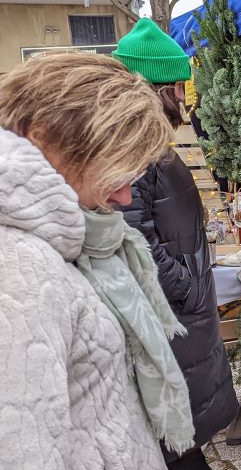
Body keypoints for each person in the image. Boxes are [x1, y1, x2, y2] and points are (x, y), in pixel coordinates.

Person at [0, 52, 192, 468]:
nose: (124, 195)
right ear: (44, 140)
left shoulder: (64, 240)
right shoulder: (20, 268)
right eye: (115, 169)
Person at [113, 18, 239, 469]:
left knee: (184, 444)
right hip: (170, 320)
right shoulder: (132, 149)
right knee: (180, 446)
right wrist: (185, 286)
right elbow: (133, 240)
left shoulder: (145, 143)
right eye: (179, 88)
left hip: (178, 319)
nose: (185, 99)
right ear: (158, 89)